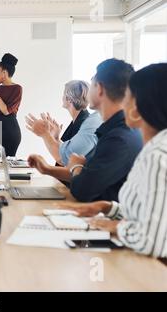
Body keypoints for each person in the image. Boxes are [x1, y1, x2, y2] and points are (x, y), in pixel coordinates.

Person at [58, 63, 167, 259]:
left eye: (128, 96)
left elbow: (150, 240)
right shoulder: (152, 148)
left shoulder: (157, 156)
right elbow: (150, 211)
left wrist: (116, 226)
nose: (122, 103)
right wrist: (107, 208)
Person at [28, 59, 143, 202]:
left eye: (92, 84)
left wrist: (76, 165)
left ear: (99, 89)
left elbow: (82, 189)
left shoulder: (118, 137)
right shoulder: (118, 130)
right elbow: (91, 176)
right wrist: (47, 169)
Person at [25, 80, 102, 166]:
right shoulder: (78, 120)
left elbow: (64, 159)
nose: (62, 97)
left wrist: (44, 133)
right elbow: (68, 150)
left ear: (68, 99)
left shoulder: (85, 123)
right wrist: (55, 138)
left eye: (64, 94)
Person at [0, 53, 22, 157]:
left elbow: (6, 111)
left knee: (8, 163)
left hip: (9, 128)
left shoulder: (17, 88)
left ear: (4, 73)